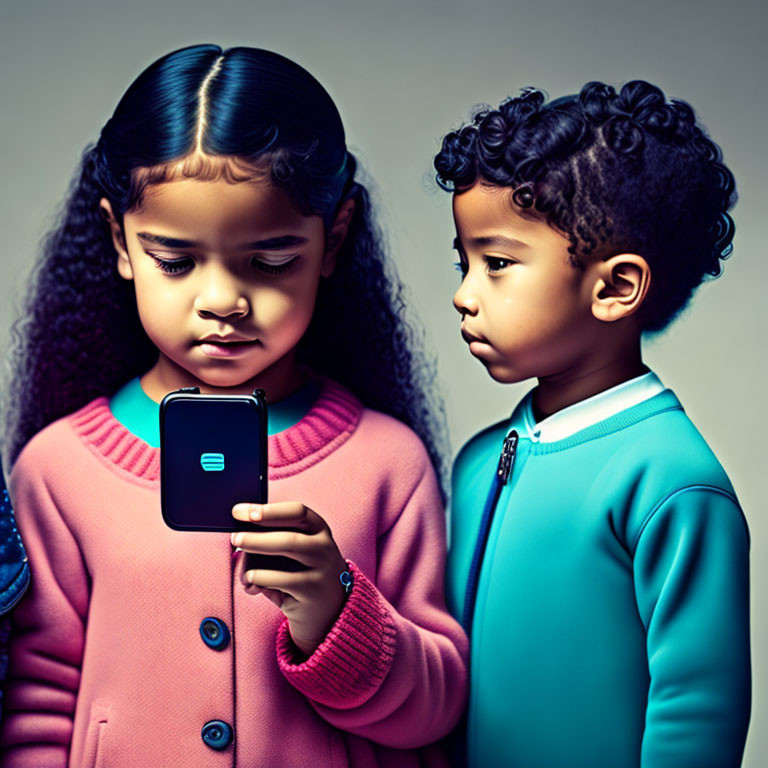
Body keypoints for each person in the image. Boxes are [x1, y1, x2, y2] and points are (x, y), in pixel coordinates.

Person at [0, 44, 467, 767]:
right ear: (119, 240)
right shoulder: (57, 469)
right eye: (176, 261)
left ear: (333, 239)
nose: (222, 301)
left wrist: (339, 614)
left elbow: (437, 710)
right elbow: (38, 704)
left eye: (271, 260)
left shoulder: (387, 461)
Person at [433, 80, 750, 767]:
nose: (463, 295)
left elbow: (696, 707)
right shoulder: (480, 460)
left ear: (613, 287)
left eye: (497, 264)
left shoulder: (669, 480)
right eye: (463, 264)